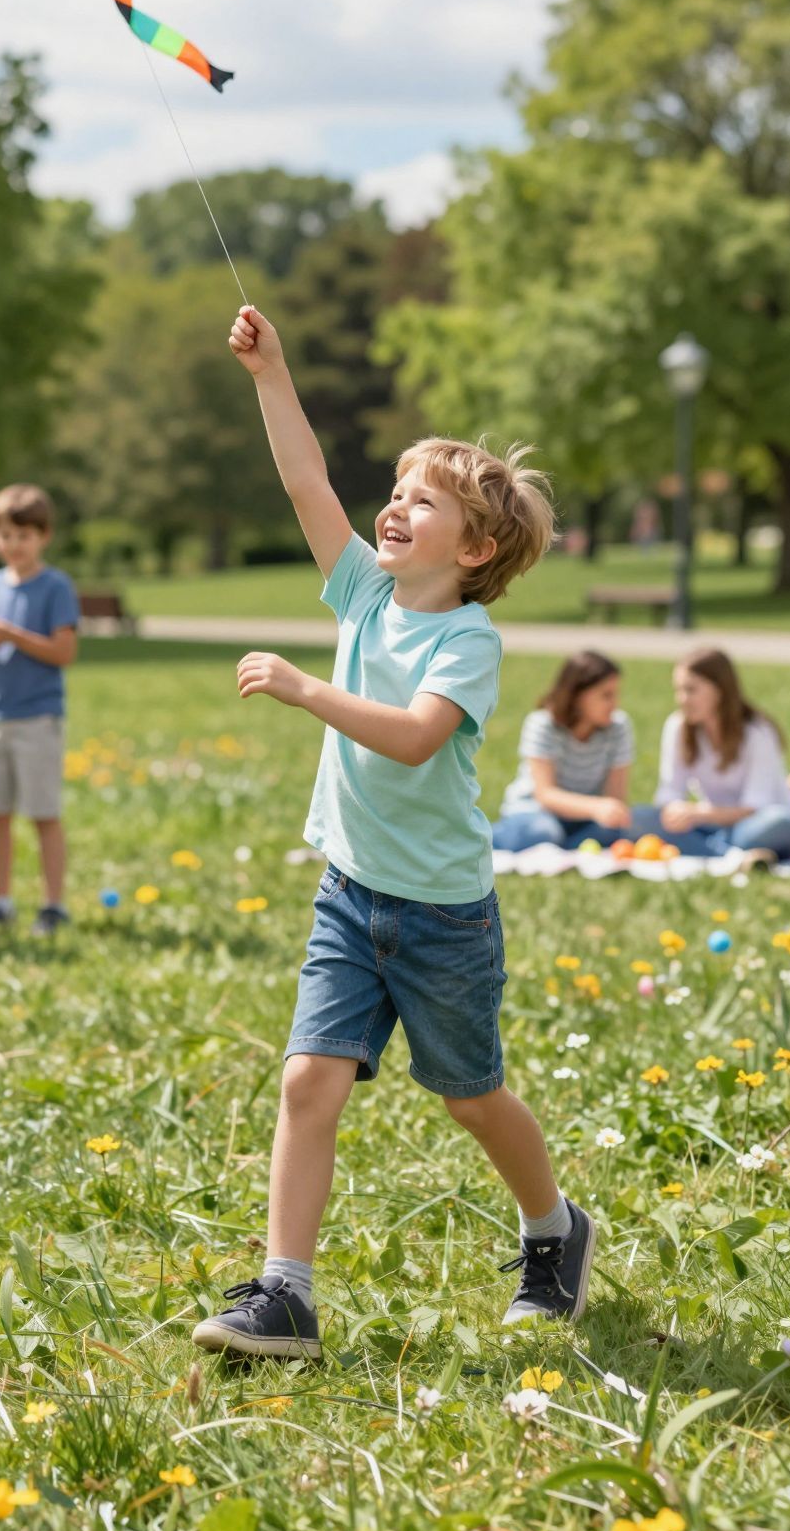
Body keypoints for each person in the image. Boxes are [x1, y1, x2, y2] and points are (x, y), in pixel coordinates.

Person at [191, 305, 596, 1365]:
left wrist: (305, 687)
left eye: (423, 499)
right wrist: (272, 371)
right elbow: (306, 484)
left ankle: (554, 1230)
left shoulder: (469, 639)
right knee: (306, 1079)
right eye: (398, 491)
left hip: (443, 913)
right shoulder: (364, 593)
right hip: (351, 890)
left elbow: (417, 739)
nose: (394, 506)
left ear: (478, 545)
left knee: (471, 1093)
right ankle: (285, 1292)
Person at [0, 484, 79, 937]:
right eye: (5, 535)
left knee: (43, 813)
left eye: (23, 536)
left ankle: (52, 905)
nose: (13, 544)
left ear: (43, 536)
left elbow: (64, 652)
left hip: (38, 719)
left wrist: (12, 635)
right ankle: (0, 901)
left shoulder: (55, 586)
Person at [630, 649, 790, 863]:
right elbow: (669, 792)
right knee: (638, 819)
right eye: (679, 690)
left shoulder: (757, 733)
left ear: (720, 690)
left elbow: (754, 808)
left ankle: (712, 851)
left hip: (754, 824)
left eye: (691, 690)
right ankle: (731, 855)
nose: (682, 699)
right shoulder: (677, 727)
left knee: (780, 822)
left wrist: (698, 814)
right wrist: (675, 811)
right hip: (708, 825)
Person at [492, 652, 634, 851]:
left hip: (584, 818)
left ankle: (561, 850)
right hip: (535, 812)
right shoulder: (542, 724)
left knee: (615, 832)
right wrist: (597, 807)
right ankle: (489, 837)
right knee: (544, 832)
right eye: (606, 695)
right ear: (577, 695)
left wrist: (613, 812)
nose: (615, 703)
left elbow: (616, 797)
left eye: (616, 694)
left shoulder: (618, 727)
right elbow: (545, 795)